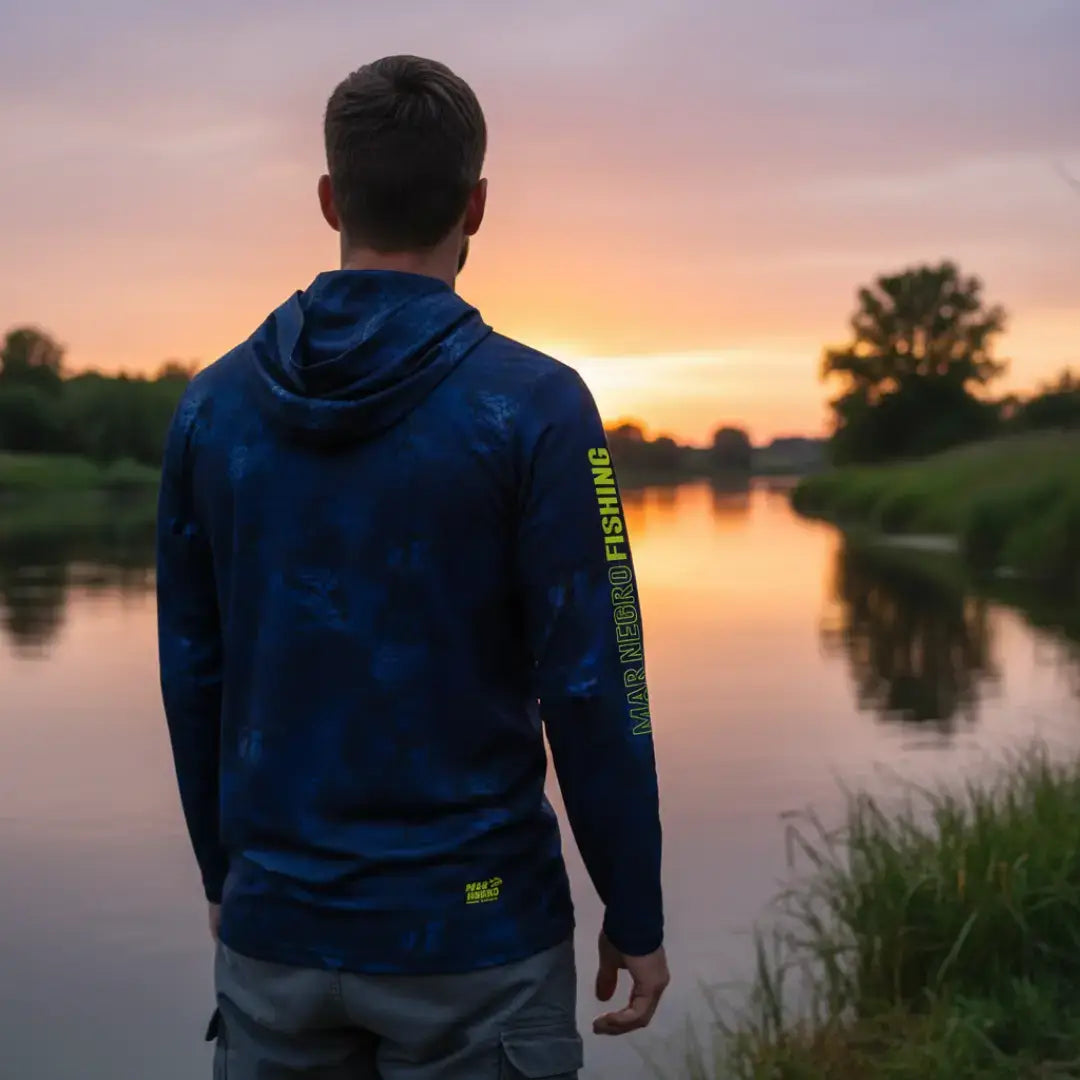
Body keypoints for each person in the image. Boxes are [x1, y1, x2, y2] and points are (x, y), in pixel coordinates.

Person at [156, 54, 667, 1080]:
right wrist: (635, 905)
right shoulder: (540, 408)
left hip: (275, 936)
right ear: (475, 207)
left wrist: (230, 874)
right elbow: (596, 677)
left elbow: (192, 670)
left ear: (331, 198)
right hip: (478, 935)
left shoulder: (210, 411)